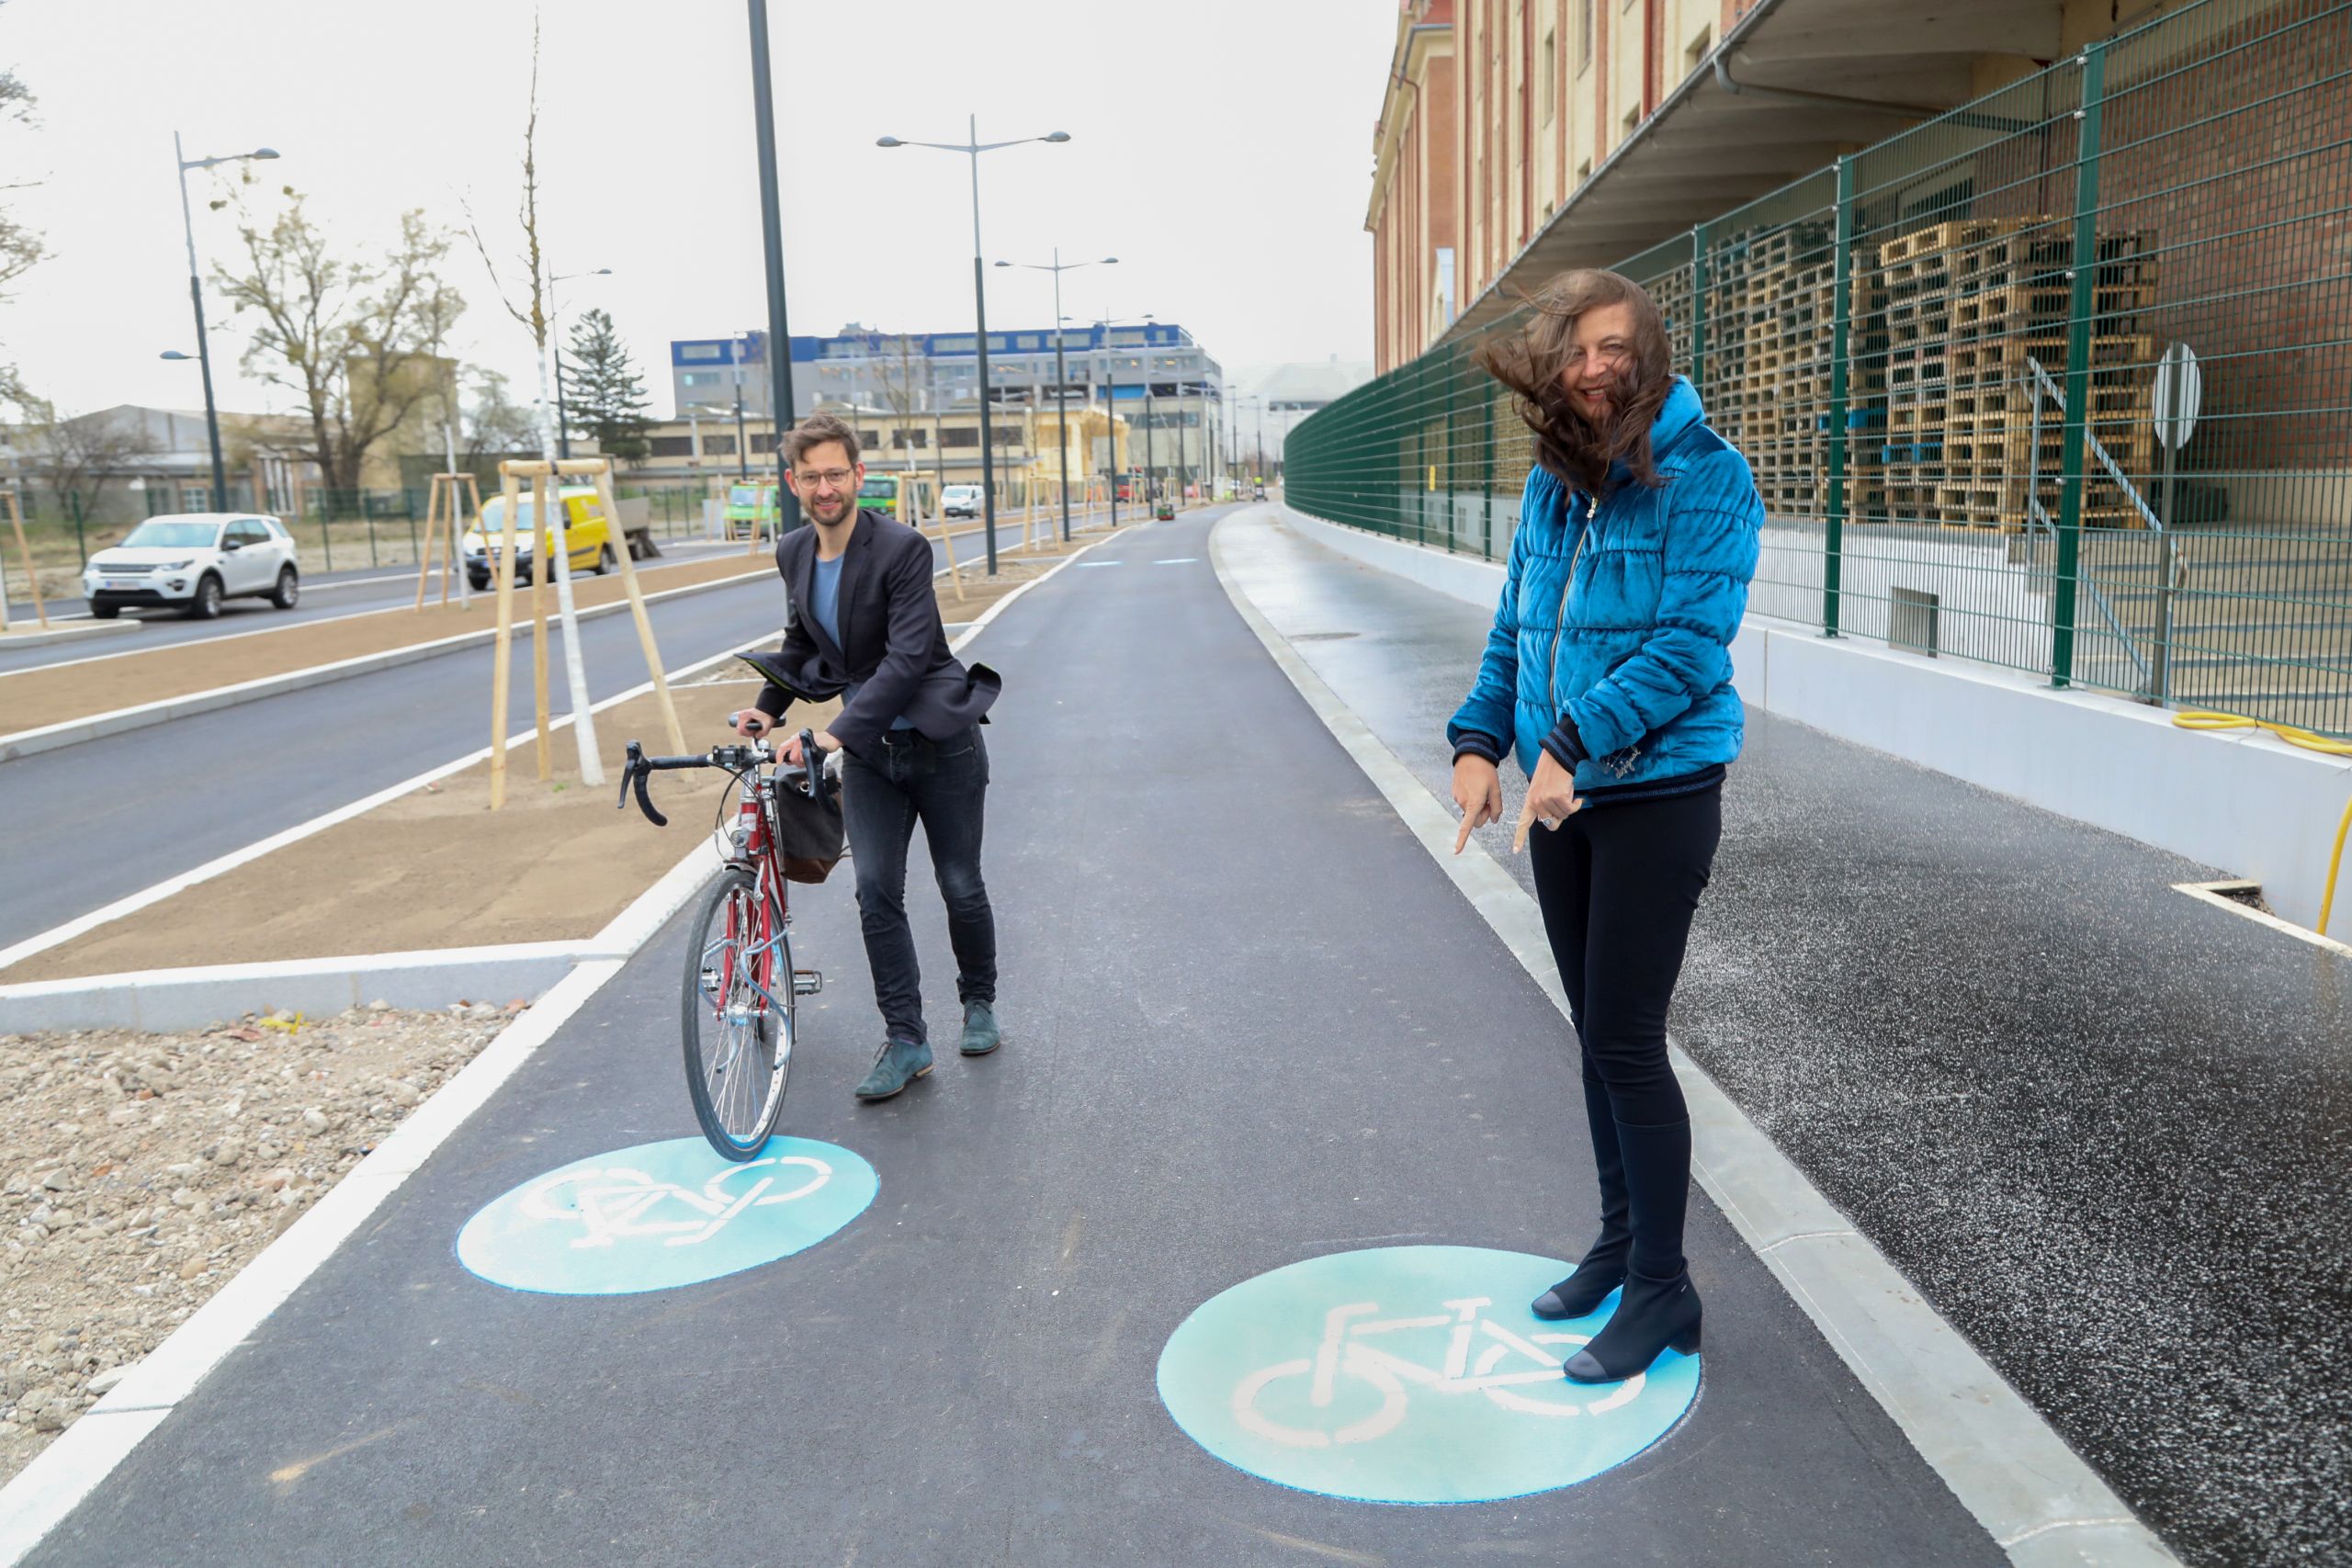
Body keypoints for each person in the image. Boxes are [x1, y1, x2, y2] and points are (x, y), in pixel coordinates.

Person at [1446, 269, 1761, 1383]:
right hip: (1552, 795)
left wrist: (1568, 744)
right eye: (1576, 349)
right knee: (1592, 1037)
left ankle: (1667, 1291)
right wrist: (1481, 741)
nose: (1594, 368)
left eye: (1616, 346)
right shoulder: (1552, 484)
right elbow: (1515, 628)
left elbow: (1688, 647)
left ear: (1652, 353)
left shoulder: (1709, 479)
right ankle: (1621, 1246)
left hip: (1655, 795)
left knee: (1625, 1040)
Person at [734, 412, 1003, 1102]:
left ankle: (978, 1000)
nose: (826, 487)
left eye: (836, 473)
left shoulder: (902, 548)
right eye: (812, 476)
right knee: (875, 889)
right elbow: (803, 644)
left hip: (942, 743)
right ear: (794, 483)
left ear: (857, 476)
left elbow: (910, 656)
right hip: (871, 756)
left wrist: (833, 733)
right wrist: (772, 704)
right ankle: (907, 1038)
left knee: (960, 884)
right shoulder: (793, 552)